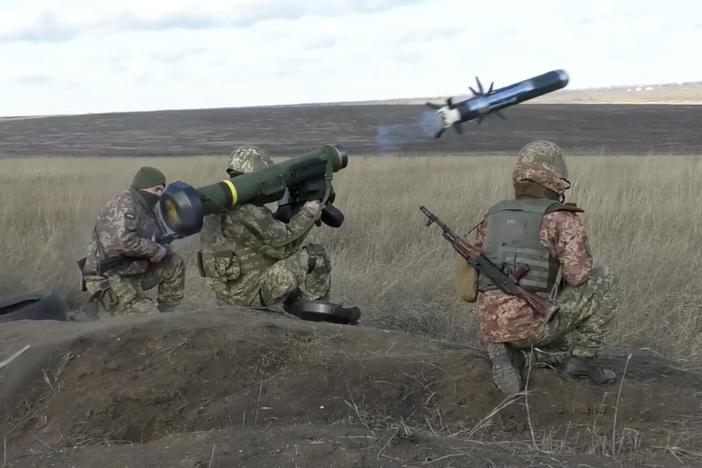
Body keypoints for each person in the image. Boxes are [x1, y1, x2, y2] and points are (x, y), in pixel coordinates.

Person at [471, 140, 616, 394]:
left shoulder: (492, 216)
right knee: (602, 279)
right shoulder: (561, 217)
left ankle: (507, 347)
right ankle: (582, 360)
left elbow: (474, 276)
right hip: (531, 326)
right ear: (553, 175)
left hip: (490, 324)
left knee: (528, 307)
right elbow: (578, 276)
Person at [197, 145, 360, 324]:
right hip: (250, 296)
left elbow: (256, 239)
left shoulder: (217, 208)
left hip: (227, 297)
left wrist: (280, 217)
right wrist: (309, 211)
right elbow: (285, 246)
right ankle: (321, 313)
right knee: (315, 254)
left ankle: (301, 306)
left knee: (277, 267)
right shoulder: (246, 211)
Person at [81, 166, 185, 316]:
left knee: (174, 262)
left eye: (162, 190)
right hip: (109, 277)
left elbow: (159, 238)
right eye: (156, 190)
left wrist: (164, 249)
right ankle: (109, 310)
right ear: (143, 187)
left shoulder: (149, 208)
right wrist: (155, 250)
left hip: (134, 272)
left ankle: (168, 314)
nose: (160, 195)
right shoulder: (124, 205)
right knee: (149, 317)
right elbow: (126, 242)